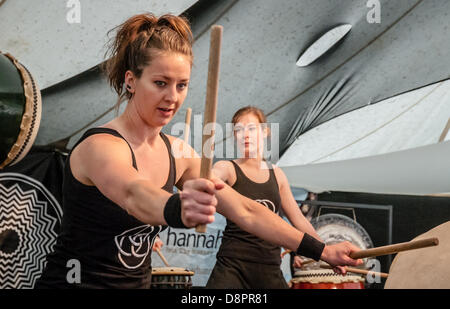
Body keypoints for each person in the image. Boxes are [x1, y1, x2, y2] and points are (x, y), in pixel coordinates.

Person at [35, 13, 361, 289]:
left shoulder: (180, 153)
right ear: (131, 80)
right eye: (160, 83)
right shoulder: (100, 146)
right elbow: (135, 194)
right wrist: (178, 208)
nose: (173, 97)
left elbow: (248, 212)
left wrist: (322, 250)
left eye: (182, 85)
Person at [206, 107, 329, 288]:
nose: (244, 135)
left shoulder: (277, 175)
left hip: (269, 266)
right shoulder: (228, 168)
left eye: (251, 128)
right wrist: (207, 179)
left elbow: (298, 220)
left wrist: (326, 251)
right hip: (233, 265)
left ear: (265, 132)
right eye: (238, 130)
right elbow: (212, 177)